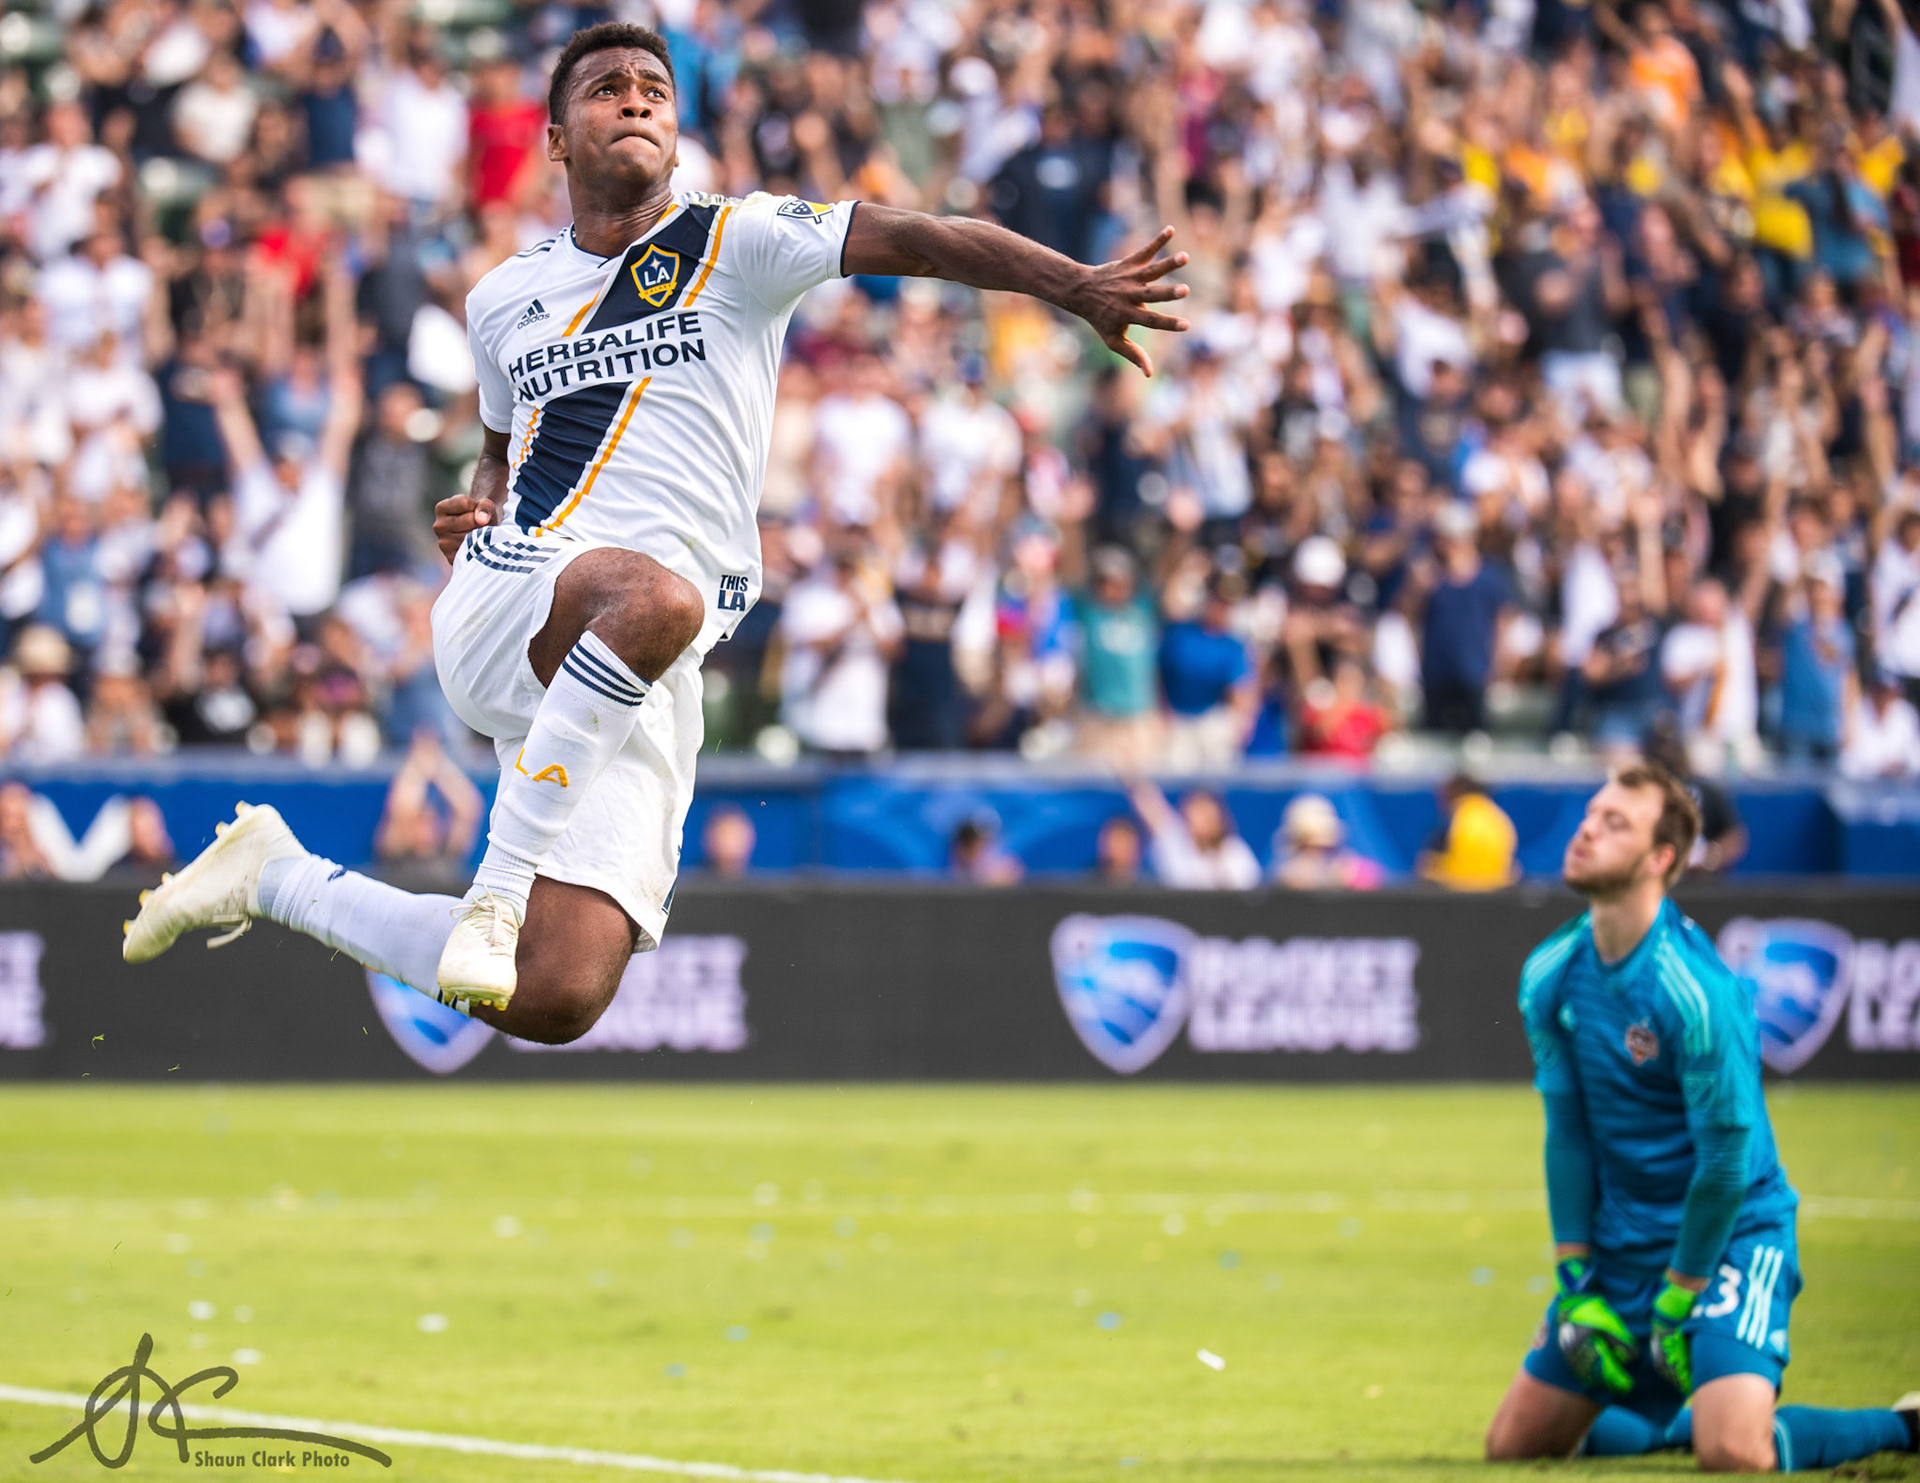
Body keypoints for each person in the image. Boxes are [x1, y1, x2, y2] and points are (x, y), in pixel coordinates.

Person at [121, 22, 1191, 1041]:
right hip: (529, 596)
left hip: (642, 663)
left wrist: (1075, 284)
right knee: (656, 600)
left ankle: (274, 874)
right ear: (555, 140)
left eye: (655, 91)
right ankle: (494, 894)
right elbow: (503, 439)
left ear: (677, 128)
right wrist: (487, 509)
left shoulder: (741, 239)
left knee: (558, 991)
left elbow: (921, 237)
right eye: (605, 89)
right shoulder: (504, 297)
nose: (634, 99)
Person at [1485, 763, 1920, 1471]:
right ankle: (1680, 1417)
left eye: (1615, 821)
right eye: (1592, 812)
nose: (1588, 827)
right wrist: (1576, 1271)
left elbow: (1724, 1165)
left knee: (1734, 1453)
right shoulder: (1549, 971)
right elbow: (1566, 1130)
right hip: (1624, 1238)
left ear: (1662, 859)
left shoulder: (1696, 992)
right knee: (1514, 1446)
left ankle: (1903, 1425)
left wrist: (1677, 1293)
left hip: (1729, 1235)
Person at [1126, 778, 1260, 889]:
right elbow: (1149, 804)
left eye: (1206, 814)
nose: (1201, 821)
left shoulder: (1235, 851)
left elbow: (1249, 893)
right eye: (1196, 812)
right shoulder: (1174, 844)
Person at [1418, 773, 1519, 891]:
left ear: (1456, 790)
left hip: (1458, 891)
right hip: (1496, 893)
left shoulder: (1458, 817)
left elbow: (1428, 862)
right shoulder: (1498, 817)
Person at [1270, 792, 1383, 890]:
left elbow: (1373, 876)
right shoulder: (1287, 873)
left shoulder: (1344, 864)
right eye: (1309, 847)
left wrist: (1345, 876)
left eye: (1324, 848)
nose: (1317, 854)